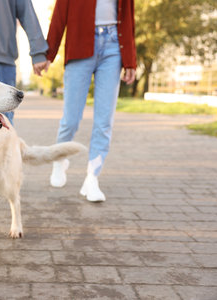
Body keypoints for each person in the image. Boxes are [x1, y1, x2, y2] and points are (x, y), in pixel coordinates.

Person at [46, 0, 137, 202]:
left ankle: (92, 177)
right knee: (71, 119)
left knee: (104, 121)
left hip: (114, 46)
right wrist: (48, 54)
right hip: (80, 45)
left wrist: (130, 59)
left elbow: (129, 18)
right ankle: (59, 159)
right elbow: (59, 15)